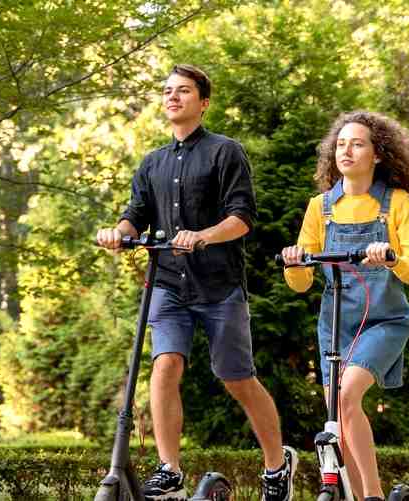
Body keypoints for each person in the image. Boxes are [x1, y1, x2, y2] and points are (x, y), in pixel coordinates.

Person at [96, 64, 297, 501]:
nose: (172, 97)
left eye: (183, 91)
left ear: (202, 103)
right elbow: (136, 214)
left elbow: (242, 217)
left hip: (219, 286)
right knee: (165, 365)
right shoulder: (153, 163)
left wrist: (203, 236)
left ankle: (277, 466)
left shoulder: (226, 152)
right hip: (167, 283)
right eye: (167, 91)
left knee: (237, 379)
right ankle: (169, 469)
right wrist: (120, 233)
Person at [280, 111, 409, 501]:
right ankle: (351, 494)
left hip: (384, 321)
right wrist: (295, 261)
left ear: (378, 154)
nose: (346, 150)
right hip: (334, 323)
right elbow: (300, 284)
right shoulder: (321, 207)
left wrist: (393, 259)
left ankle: (373, 495)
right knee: (338, 412)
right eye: (341, 144)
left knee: (347, 396)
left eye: (358, 143)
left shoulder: (395, 203)